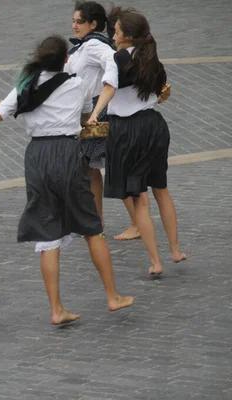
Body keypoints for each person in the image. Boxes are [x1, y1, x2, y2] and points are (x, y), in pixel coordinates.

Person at [0, 36, 134, 324]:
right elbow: (84, 117)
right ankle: (112, 296)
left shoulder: (25, 87)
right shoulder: (75, 84)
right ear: (65, 59)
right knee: (91, 226)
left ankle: (56, 309)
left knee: (47, 231)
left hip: (36, 156)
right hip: (66, 152)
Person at [88, 9, 187, 275]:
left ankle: (156, 261)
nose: (114, 34)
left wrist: (96, 114)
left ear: (128, 36)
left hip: (128, 131)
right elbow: (160, 89)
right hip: (154, 126)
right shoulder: (151, 57)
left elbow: (109, 88)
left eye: (117, 30)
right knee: (161, 189)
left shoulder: (116, 59)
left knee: (139, 198)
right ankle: (175, 250)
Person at [65, 1, 138, 240]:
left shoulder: (95, 44)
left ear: (93, 24)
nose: (74, 25)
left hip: (98, 113)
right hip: (88, 111)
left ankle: (137, 223)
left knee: (113, 168)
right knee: (91, 170)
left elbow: (113, 61)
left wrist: (108, 86)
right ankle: (96, 222)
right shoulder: (85, 46)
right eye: (74, 20)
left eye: (79, 21)